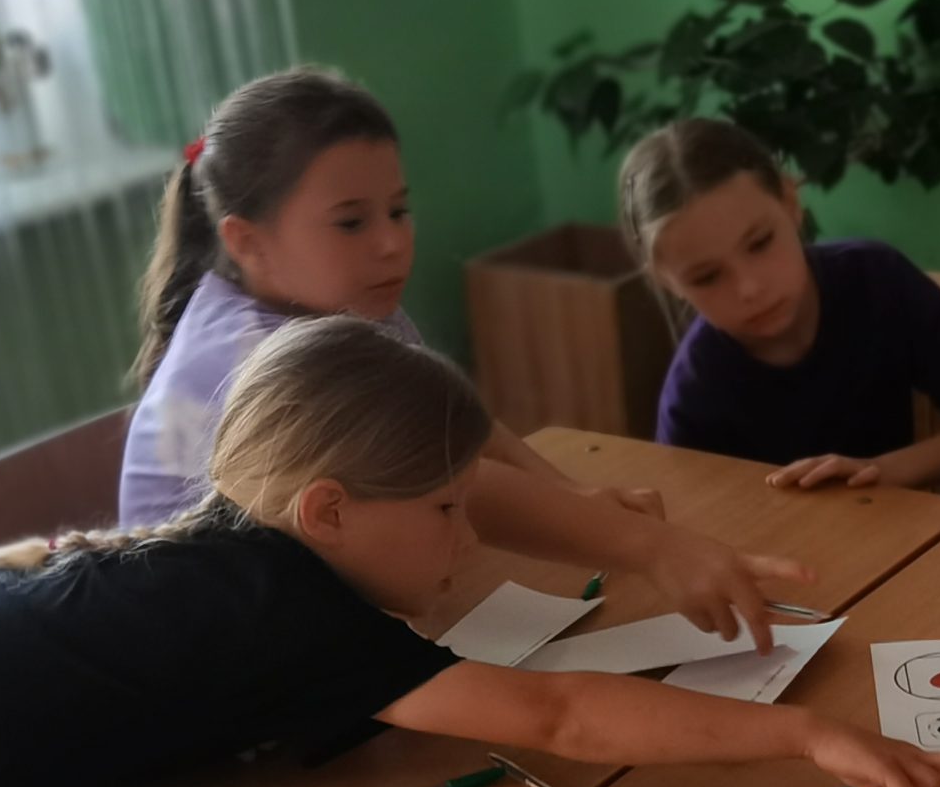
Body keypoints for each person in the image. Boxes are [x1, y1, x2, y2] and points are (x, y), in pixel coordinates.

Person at [0, 319, 940, 787]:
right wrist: (807, 734)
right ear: (328, 510)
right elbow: (561, 717)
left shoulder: (256, 539)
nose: (470, 534)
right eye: (445, 510)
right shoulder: (283, 609)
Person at [121, 67, 802, 650]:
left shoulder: (350, 304)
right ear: (247, 242)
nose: (392, 243)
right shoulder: (254, 357)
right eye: (352, 222)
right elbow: (460, 480)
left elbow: (453, 430)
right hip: (213, 661)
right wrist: (646, 547)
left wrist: (574, 498)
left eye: (398, 210)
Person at [624, 118, 940, 492]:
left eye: (760, 243)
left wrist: (882, 472)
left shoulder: (877, 279)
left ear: (791, 202)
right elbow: (690, 518)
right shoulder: (692, 395)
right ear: (667, 281)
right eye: (707, 277)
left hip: (892, 527)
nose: (749, 288)